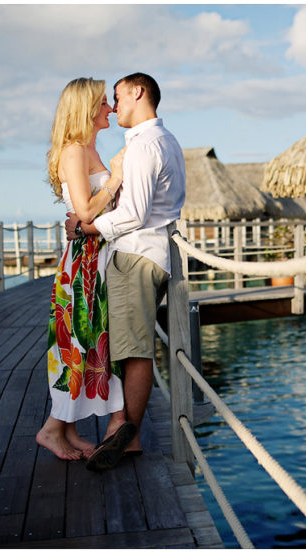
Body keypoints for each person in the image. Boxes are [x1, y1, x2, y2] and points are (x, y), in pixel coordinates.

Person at [66, 73, 186, 471]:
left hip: (136, 256)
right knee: (128, 345)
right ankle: (121, 431)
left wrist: (88, 228)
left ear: (138, 92)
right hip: (149, 255)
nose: (114, 106)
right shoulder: (164, 140)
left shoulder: (144, 145)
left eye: (117, 97)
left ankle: (126, 437)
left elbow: (134, 214)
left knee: (133, 350)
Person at [36, 77, 129, 461]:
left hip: (94, 255)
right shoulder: (74, 151)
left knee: (85, 343)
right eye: (104, 102)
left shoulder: (87, 149)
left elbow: (88, 213)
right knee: (76, 344)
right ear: (86, 109)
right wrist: (118, 177)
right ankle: (52, 430)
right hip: (83, 263)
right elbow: (87, 210)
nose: (110, 108)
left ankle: (68, 429)